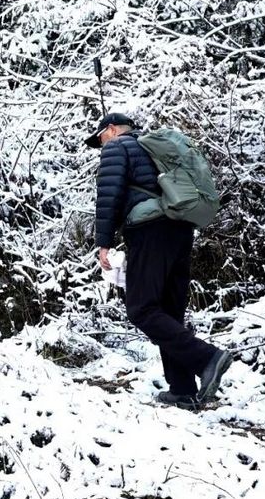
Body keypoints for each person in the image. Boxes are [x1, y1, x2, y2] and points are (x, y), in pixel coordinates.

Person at [86, 112, 232, 408]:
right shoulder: (153, 147)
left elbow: (109, 195)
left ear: (111, 130)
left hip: (149, 231)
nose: (101, 145)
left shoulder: (117, 147)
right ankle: (182, 389)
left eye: (100, 138)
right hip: (180, 228)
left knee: (141, 309)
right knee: (169, 311)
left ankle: (207, 358)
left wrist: (103, 243)